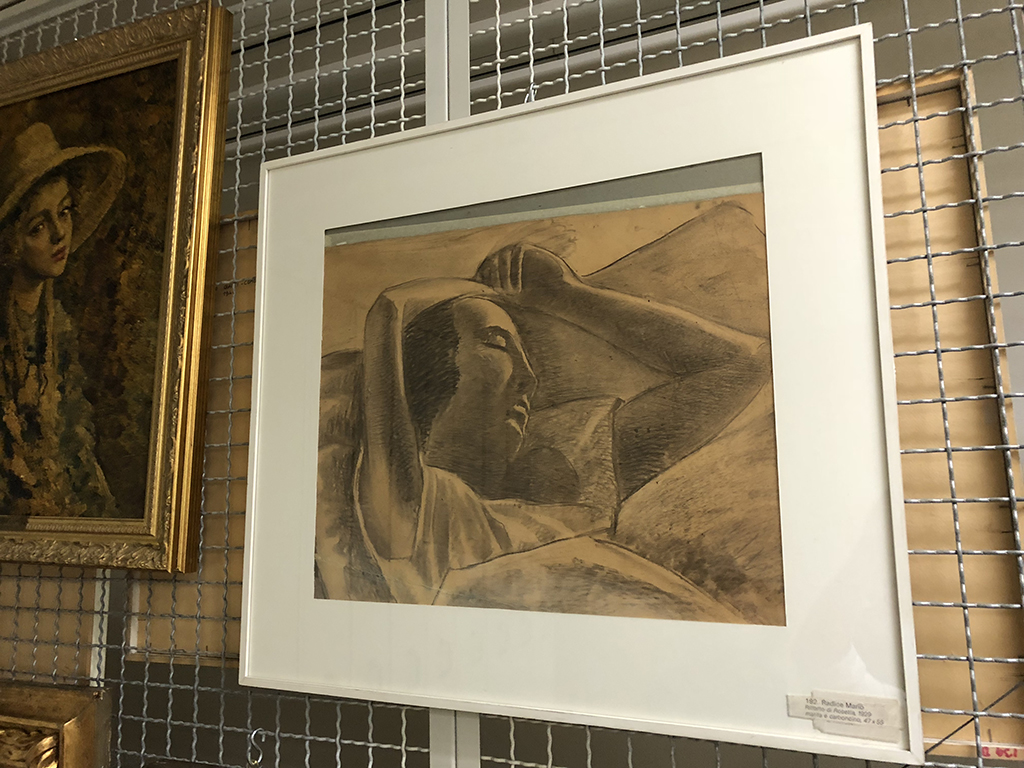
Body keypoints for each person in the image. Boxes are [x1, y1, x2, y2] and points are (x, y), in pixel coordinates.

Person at [346, 240, 772, 613]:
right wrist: (436, 297)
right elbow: (389, 312)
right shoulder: (419, 510)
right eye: (497, 345)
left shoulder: (574, 459)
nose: (528, 377)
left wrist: (567, 296)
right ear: (428, 373)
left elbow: (745, 365)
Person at [0, 122, 127, 519]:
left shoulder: (57, 325)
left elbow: (74, 443)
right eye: (38, 227)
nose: (60, 234)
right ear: (11, 243)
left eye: (65, 212)